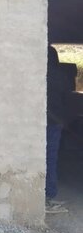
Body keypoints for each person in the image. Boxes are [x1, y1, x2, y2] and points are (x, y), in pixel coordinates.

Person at [46, 46, 70, 213]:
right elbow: (66, 98)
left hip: (41, 121)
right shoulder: (61, 76)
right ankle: (49, 194)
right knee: (51, 157)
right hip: (55, 122)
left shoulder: (39, 75)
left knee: (42, 157)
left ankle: (46, 193)